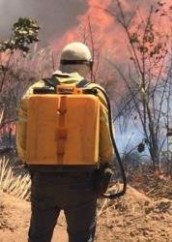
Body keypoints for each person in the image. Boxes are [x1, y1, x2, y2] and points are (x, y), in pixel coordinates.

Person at [16, 42, 114, 242]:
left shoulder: (33, 91)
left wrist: (33, 164)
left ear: (62, 64)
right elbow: (106, 142)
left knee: (38, 237)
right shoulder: (95, 93)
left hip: (43, 180)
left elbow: (22, 142)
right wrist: (103, 166)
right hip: (82, 181)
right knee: (81, 238)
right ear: (88, 65)